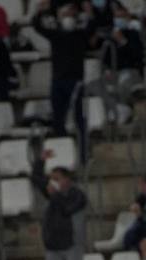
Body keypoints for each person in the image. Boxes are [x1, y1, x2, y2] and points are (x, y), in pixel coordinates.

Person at [32, 2, 95, 151]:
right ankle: (63, 149)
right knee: (57, 119)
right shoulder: (55, 35)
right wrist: (40, 12)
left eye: (71, 15)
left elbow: (92, 26)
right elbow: (37, 26)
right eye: (65, 15)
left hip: (76, 81)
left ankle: (83, 152)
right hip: (57, 81)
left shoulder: (80, 35)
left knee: (79, 119)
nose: (68, 18)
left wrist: (89, 13)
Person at [32, 151, 92, 260]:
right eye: (52, 179)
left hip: (72, 243)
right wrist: (40, 161)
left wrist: (55, 195)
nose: (53, 183)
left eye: (57, 179)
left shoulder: (77, 195)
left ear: (67, 180)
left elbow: (67, 209)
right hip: (54, 245)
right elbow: (36, 179)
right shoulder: (53, 194)